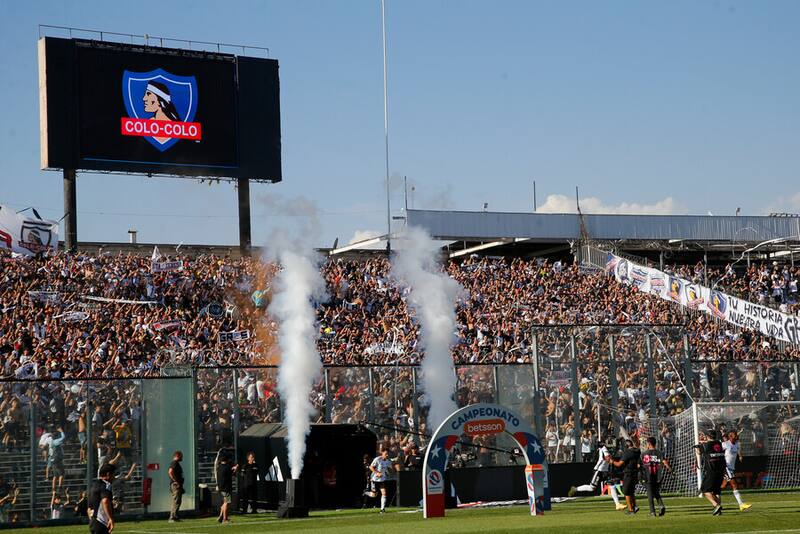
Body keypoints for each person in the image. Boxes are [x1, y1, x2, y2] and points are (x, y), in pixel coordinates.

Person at [569, 437, 626, 510]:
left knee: (612, 485)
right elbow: (607, 458)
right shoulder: (604, 448)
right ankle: (575, 489)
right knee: (591, 488)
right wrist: (615, 461)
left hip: (605, 471)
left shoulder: (606, 448)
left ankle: (617, 504)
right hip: (599, 471)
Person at [696, 429, 726, 515]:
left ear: (708, 436)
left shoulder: (706, 445)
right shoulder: (719, 444)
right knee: (717, 491)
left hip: (711, 471)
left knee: (705, 490)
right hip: (720, 471)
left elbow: (699, 452)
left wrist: (698, 445)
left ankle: (716, 505)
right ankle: (719, 511)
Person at [722, 431, 752, 511]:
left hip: (731, 468)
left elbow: (738, 450)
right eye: (735, 435)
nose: (737, 436)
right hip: (726, 467)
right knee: (734, 484)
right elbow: (717, 450)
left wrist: (740, 455)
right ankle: (741, 504)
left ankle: (710, 492)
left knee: (723, 486)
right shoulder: (726, 444)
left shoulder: (737, 444)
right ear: (730, 436)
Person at [641, 436, 671, 517]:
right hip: (658, 476)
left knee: (650, 494)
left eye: (647, 443)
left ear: (649, 444)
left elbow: (639, 465)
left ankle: (652, 512)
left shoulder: (644, 454)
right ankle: (661, 505)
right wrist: (670, 469)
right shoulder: (659, 453)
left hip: (648, 476)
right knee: (656, 492)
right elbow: (665, 462)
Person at [612, 439, 641, 515]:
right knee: (631, 492)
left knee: (626, 492)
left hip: (628, 473)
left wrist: (611, 461)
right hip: (635, 473)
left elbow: (619, 464)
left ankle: (631, 510)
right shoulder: (637, 451)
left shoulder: (627, 453)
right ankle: (634, 507)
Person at [87, 463, 115, 534]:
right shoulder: (106, 485)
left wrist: (93, 520)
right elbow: (105, 501)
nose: (114, 477)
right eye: (113, 474)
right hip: (102, 522)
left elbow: (89, 509)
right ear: (108, 474)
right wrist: (110, 518)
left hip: (93, 522)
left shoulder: (93, 486)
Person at [369, 448, 395, 513]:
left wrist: (390, 471)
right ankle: (366, 492)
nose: (387, 455)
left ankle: (382, 509)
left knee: (384, 493)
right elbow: (371, 467)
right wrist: (377, 473)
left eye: (387, 454)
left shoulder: (388, 461)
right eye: (386, 454)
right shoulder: (377, 459)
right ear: (382, 453)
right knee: (374, 495)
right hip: (374, 479)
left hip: (382, 479)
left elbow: (390, 469)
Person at [215, 451, 237, 524]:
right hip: (226, 488)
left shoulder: (219, 467)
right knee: (227, 503)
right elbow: (231, 474)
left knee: (224, 502)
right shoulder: (226, 467)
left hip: (221, 487)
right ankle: (225, 519)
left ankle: (220, 517)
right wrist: (235, 469)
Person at [168, 451, 184, 523]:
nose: (182, 458)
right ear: (177, 455)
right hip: (175, 485)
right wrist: (175, 481)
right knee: (176, 500)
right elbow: (170, 471)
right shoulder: (174, 463)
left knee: (178, 501)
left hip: (178, 485)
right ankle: (172, 517)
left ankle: (175, 516)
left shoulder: (176, 463)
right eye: (181, 456)